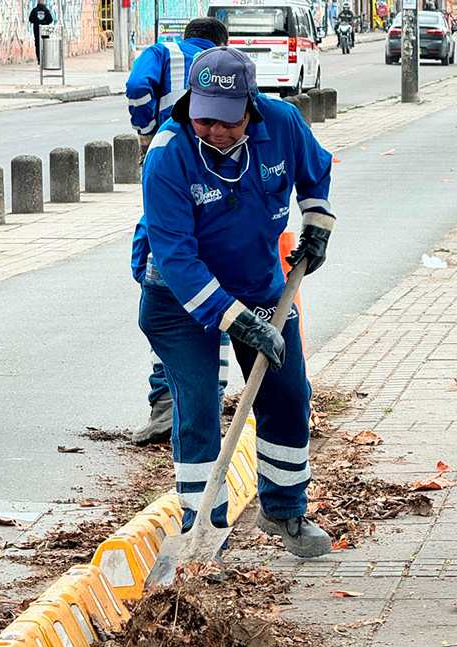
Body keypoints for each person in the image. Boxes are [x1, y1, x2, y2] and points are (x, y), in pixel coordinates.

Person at [139, 47, 335, 558]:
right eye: (204, 119)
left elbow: (316, 174)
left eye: (228, 121)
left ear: (251, 105)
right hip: (178, 297)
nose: (216, 131)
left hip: (258, 282)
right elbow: (178, 258)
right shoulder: (167, 154)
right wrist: (236, 322)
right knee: (199, 403)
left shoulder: (283, 122)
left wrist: (316, 226)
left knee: (288, 392)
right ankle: (206, 531)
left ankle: (285, 511)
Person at [127, 18, 230, 445]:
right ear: (221, 42)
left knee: (167, 289)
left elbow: (136, 86)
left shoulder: (163, 54)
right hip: (218, 179)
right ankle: (206, 397)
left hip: (167, 165)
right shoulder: (227, 69)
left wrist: (146, 128)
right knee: (215, 298)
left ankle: (171, 403)